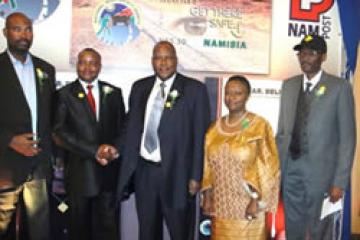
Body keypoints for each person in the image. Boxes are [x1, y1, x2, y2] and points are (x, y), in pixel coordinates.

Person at [117, 41, 211, 240]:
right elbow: (130, 127)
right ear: (152, 61)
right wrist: (115, 149)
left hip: (179, 175)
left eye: (168, 57)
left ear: (176, 60)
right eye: (158, 58)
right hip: (145, 173)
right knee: (148, 231)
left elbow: (201, 136)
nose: (163, 63)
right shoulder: (140, 87)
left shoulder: (194, 89)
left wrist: (196, 176)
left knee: (180, 232)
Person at [276, 34, 356, 239]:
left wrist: (340, 181)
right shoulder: (289, 86)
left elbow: (348, 139)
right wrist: (277, 170)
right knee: (292, 226)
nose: (305, 58)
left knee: (320, 230)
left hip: (322, 174)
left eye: (311, 53)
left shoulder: (339, 88)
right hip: (291, 169)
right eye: (302, 53)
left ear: (323, 57)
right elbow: (282, 132)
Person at [53, 48, 126, 240]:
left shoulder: (114, 93)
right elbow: (60, 132)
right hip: (80, 178)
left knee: (109, 232)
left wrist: (114, 149)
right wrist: (94, 151)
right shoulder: (64, 95)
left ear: (100, 66)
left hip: (109, 177)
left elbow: (122, 128)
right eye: (83, 62)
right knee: (79, 232)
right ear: (77, 65)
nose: (88, 67)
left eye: (93, 63)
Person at [201, 75, 280, 239]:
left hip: (248, 205)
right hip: (221, 206)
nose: (231, 98)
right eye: (228, 93)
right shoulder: (214, 129)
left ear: (247, 96)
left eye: (238, 93)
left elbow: (269, 166)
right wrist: (207, 196)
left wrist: (257, 200)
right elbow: (207, 166)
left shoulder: (259, 126)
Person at [0, 12, 56, 240]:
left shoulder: (46, 70)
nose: (24, 34)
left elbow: (52, 117)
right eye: (17, 29)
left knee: (40, 229)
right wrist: (10, 140)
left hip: (39, 163)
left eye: (28, 29)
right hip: (5, 165)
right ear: (5, 33)